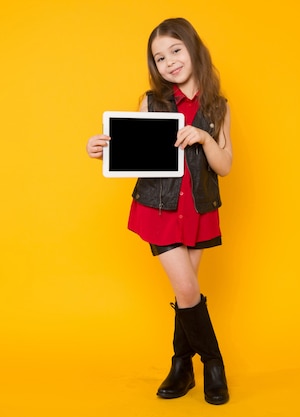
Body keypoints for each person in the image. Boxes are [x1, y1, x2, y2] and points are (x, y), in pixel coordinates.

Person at [86, 17, 232, 405]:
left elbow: (225, 165)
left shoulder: (218, 106)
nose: (168, 61)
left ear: (193, 49)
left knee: (189, 294)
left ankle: (180, 366)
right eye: (159, 57)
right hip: (161, 209)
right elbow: (138, 152)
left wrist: (202, 135)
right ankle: (213, 365)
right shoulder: (151, 102)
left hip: (199, 207)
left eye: (175, 50)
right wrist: (103, 148)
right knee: (186, 289)